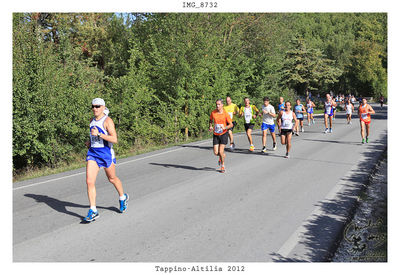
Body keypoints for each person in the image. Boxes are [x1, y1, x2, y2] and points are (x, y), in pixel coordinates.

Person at [84, 98, 129, 222]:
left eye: (97, 106)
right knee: (89, 181)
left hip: (106, 154)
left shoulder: (108, 121)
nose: (94, 108)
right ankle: (93, 210)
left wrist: (99, 135)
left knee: (112, 178)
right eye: (93, 106)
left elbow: (114, 139)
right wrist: (90, 142)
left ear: (103, 107)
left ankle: (122, 197)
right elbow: (93, 136)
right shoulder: (91, 121)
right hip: (93, 154)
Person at [209, 99, 233, 173]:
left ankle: (222, 165)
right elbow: (210, 120)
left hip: (223, 134)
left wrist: (225, 127)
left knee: (221, 151)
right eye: (216, 104)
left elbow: (231, 124)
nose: (217, 106)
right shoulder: (213, 112)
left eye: (219, 104)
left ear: (222, 105)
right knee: (216, 153)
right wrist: (210, 126)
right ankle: (221, 156)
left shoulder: (225, 114)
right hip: (216, 134)